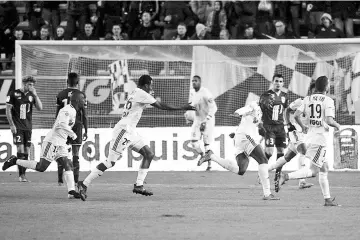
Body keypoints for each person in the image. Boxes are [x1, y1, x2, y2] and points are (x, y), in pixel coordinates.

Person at [77, 75, 195, 201]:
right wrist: (183, 107)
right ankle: (84, 183)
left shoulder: (136, 92)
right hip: (123, 131)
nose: (151, 87)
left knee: (148, 154)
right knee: (110, 162)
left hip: (130, 132)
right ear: (146, 85)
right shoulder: (141, 93)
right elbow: (161, 106)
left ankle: (139, 185)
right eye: (150, 85)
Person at [2, 92, 86, 199]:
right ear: (78, 100)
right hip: (52, 141)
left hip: (61, 143)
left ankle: (71, 192)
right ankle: (14, 160)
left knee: (68, 164)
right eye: (83, 99)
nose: (85, 101)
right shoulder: (67, 110)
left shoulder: (73, 110)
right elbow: (61, 124)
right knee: (41, 167)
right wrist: (73, 134)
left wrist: (68, 136)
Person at [278, 76, 340, 207]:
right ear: (327, 87)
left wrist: (303, 126)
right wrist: (338, 126)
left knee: (324, 169)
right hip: (319, 141)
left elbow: (295, 115)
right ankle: (286, 176)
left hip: (310, 137)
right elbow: (329, 121)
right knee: (314, 171)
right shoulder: (328, 100)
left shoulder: (307, 99)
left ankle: (327, 199)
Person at [198, 101, 279, 200]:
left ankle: (211, 156)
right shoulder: (255, 105)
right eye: (269, 101)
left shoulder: (263, 114)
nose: (270, 104)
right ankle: (267, 194)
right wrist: (238, 113)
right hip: (246, 137)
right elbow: (244, 110)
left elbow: (256, 124)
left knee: (241, 170)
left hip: (240, 138)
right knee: (263, 160)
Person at [268, 82, 316, 191]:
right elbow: (287, 110)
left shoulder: (317, 106)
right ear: (310, 92)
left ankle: (265, 169)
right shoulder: (301, 102)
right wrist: (288, 124)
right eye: (314, 92)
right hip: (296, 131)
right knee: (304, 152)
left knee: (287, 157)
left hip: (304, 135)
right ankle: (302, 182)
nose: (316, 94)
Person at [5, 76, 43, 182]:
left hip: (28, 127)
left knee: (26, 151)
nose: (31, 86)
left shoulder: (32, 95)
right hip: (18, 127)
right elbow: (8, 110)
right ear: (24, 84)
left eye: (32, 85)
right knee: (20, 149)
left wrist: (35, 95)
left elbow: (40, 108)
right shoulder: (14, 93)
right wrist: (12, 125)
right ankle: (21, 175)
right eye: (29, 84)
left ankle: (23, 175)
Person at [56, 73, 88, 186]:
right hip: (77, 127)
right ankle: (75, 181)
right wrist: (86, 130)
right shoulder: (81, 95)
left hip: (63, 126)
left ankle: (60, 180)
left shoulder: (61, 94)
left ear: (67, 81)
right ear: (78, 82)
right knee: (75, 154)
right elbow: (84, 115)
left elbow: (57, 114)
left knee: (61, 153)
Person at [259, 74, 289, 184]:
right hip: (269, 127)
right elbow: (260, 110)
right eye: (276, 81)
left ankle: (278, 175)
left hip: (281, 127)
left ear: (283, 83)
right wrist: (260, 124)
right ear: (273, 82)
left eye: (280, 81)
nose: (278, 83)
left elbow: (285, 111)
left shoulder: (285, 96)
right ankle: (262, 173)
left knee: (281, 151)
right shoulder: (265, 95)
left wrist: (288, 125)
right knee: (269, 152)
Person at [185, 75, 217, 171]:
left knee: (206, 143)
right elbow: (192, 105)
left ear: (200, 82)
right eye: (193, 81)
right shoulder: (192, 92)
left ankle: (210, 165)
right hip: (197, 119)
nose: (194, 82)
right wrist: (187, 114)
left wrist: (206, 120)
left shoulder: (205, 92)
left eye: (196, 81)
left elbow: (214, 107)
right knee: (193, 142)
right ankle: (203, 155)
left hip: (208, 120)